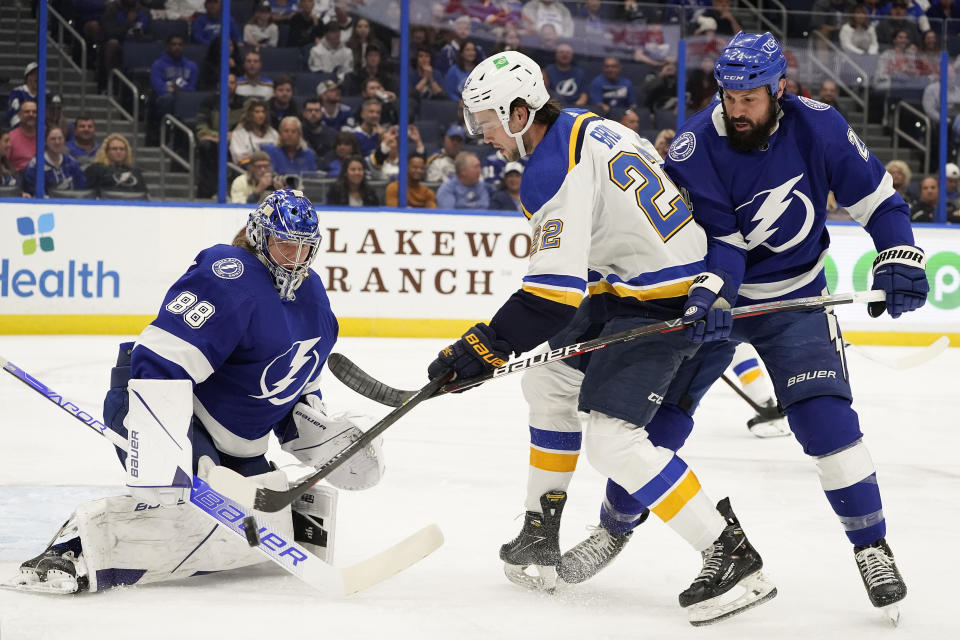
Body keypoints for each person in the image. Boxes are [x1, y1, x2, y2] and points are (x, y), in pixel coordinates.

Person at [563, 32, 923, 621]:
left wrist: (900, 254)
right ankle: (613, 526)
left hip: (797, 300)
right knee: (652, 431)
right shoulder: (693, 146)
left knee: (825, 421)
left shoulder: (821, 126)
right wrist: (712, 296)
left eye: (750, 98)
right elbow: (718, 243)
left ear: (780, 86)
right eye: (729, 96)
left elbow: (881, 205)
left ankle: (872, 546)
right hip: (713, 300)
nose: (737, 109)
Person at [430, 49, 775, 625]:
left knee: (613, 443)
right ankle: (541, 527)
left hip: (666, 301)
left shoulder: (548, 171)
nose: (479, 134)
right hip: (635, 288)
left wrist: (481, 348)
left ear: (520, 114)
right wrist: (492, 349)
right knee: (548, 375)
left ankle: (731, 553)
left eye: (486, 121)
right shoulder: (591, 125)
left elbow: (549, 298)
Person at [9, 190, 384, 593]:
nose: (294, 258)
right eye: (284, 244)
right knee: (183, 504)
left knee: (259, 511)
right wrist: (178, 450)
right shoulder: (231, 275)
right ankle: (68, 550)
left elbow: (295, 387)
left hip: (236, 441)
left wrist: (317, 430)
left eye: (304, 248)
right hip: (160, 407)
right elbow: (159, 361)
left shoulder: (311, 295)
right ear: (260, 237)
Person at [196, 74, 246, 198]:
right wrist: (221, 137)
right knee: (206, 146)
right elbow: (201, 128)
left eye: (232, 82)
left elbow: (245, 127)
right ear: (219, 85)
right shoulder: (208, 102)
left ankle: (234, 190)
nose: (229, 85)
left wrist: (227, 137)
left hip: (237, 141)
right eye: (226, 82)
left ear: (236, 85)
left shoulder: (243, 104)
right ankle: (209, 191)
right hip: (213, 142)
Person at [22, 127, 89, 197]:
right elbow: (33, 191)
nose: (57, 142)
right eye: (53, 139)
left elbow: (81, 189)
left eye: (60, 138)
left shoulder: (71, 162)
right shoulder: (36, 165)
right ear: (45, 141)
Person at [83, 133, 149, 198]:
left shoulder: (135, 172)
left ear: (126, 152)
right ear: (106, 151)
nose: (118, 151)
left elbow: (145, 195)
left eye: (122, 149)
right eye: (114, 149)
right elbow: (86, 193)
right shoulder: (96, 169)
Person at [230, 98, 280, 165]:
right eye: (257, 112)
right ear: (249, 114)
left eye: (263, 112)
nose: (261, 115)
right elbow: (240, 160)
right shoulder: (239, 134)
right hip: (247, 172)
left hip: (272, 171)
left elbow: (280, 156)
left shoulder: (273, 133)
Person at [5, 62, 39, 129]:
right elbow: (12, 117)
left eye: (39, 74)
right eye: (34, 74)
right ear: (28, 77)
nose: (37, 76)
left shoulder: (45, 95)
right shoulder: (17, 93)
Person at [8, 100, 38, 172]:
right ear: (19, 115)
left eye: (34, 112)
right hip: (19, 178)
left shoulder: (46, 136)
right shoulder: (10, 137)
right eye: (27, 112)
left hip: (42, 177)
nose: (31, 114)